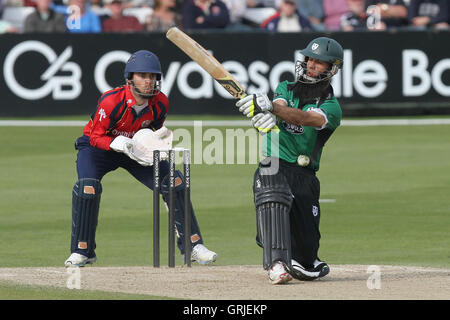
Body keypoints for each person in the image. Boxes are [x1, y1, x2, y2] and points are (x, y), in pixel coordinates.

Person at [64, 50, 218, 267]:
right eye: (143, 76)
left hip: (135, 151)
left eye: (153, 76)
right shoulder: (111, 101)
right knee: (87, 188)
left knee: (175, 181)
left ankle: (193, 246)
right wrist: (115, 143)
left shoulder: (161, 102)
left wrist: (157, 142)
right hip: (98, 149)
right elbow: (95, 136)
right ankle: (83, 251)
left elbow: (154, 129)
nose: (149, 81)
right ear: (130, 78)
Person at [235, 37, 343, 284]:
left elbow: (305, 119)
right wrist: (267, 112)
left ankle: (301, 258)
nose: (312, 65)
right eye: (310, 59)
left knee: (306, 252)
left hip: (304, 176)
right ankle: (275, 264)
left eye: (320, 62)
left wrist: (272, 110)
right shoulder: (286, 87)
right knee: (271, 196)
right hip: (274, 163)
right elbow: (280, 104)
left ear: (332, 69)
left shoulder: (331, 107)